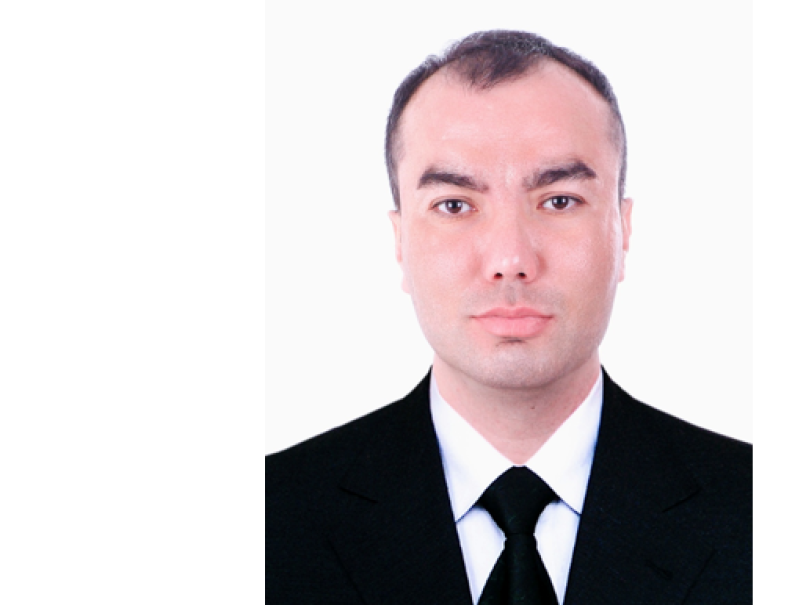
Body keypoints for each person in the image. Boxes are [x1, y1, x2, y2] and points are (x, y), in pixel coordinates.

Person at [266, 30, 751, 604]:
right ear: (399, 242)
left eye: (560, 200)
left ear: (623, 232)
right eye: (454, 205)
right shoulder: (269, 520)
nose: (510, 259)